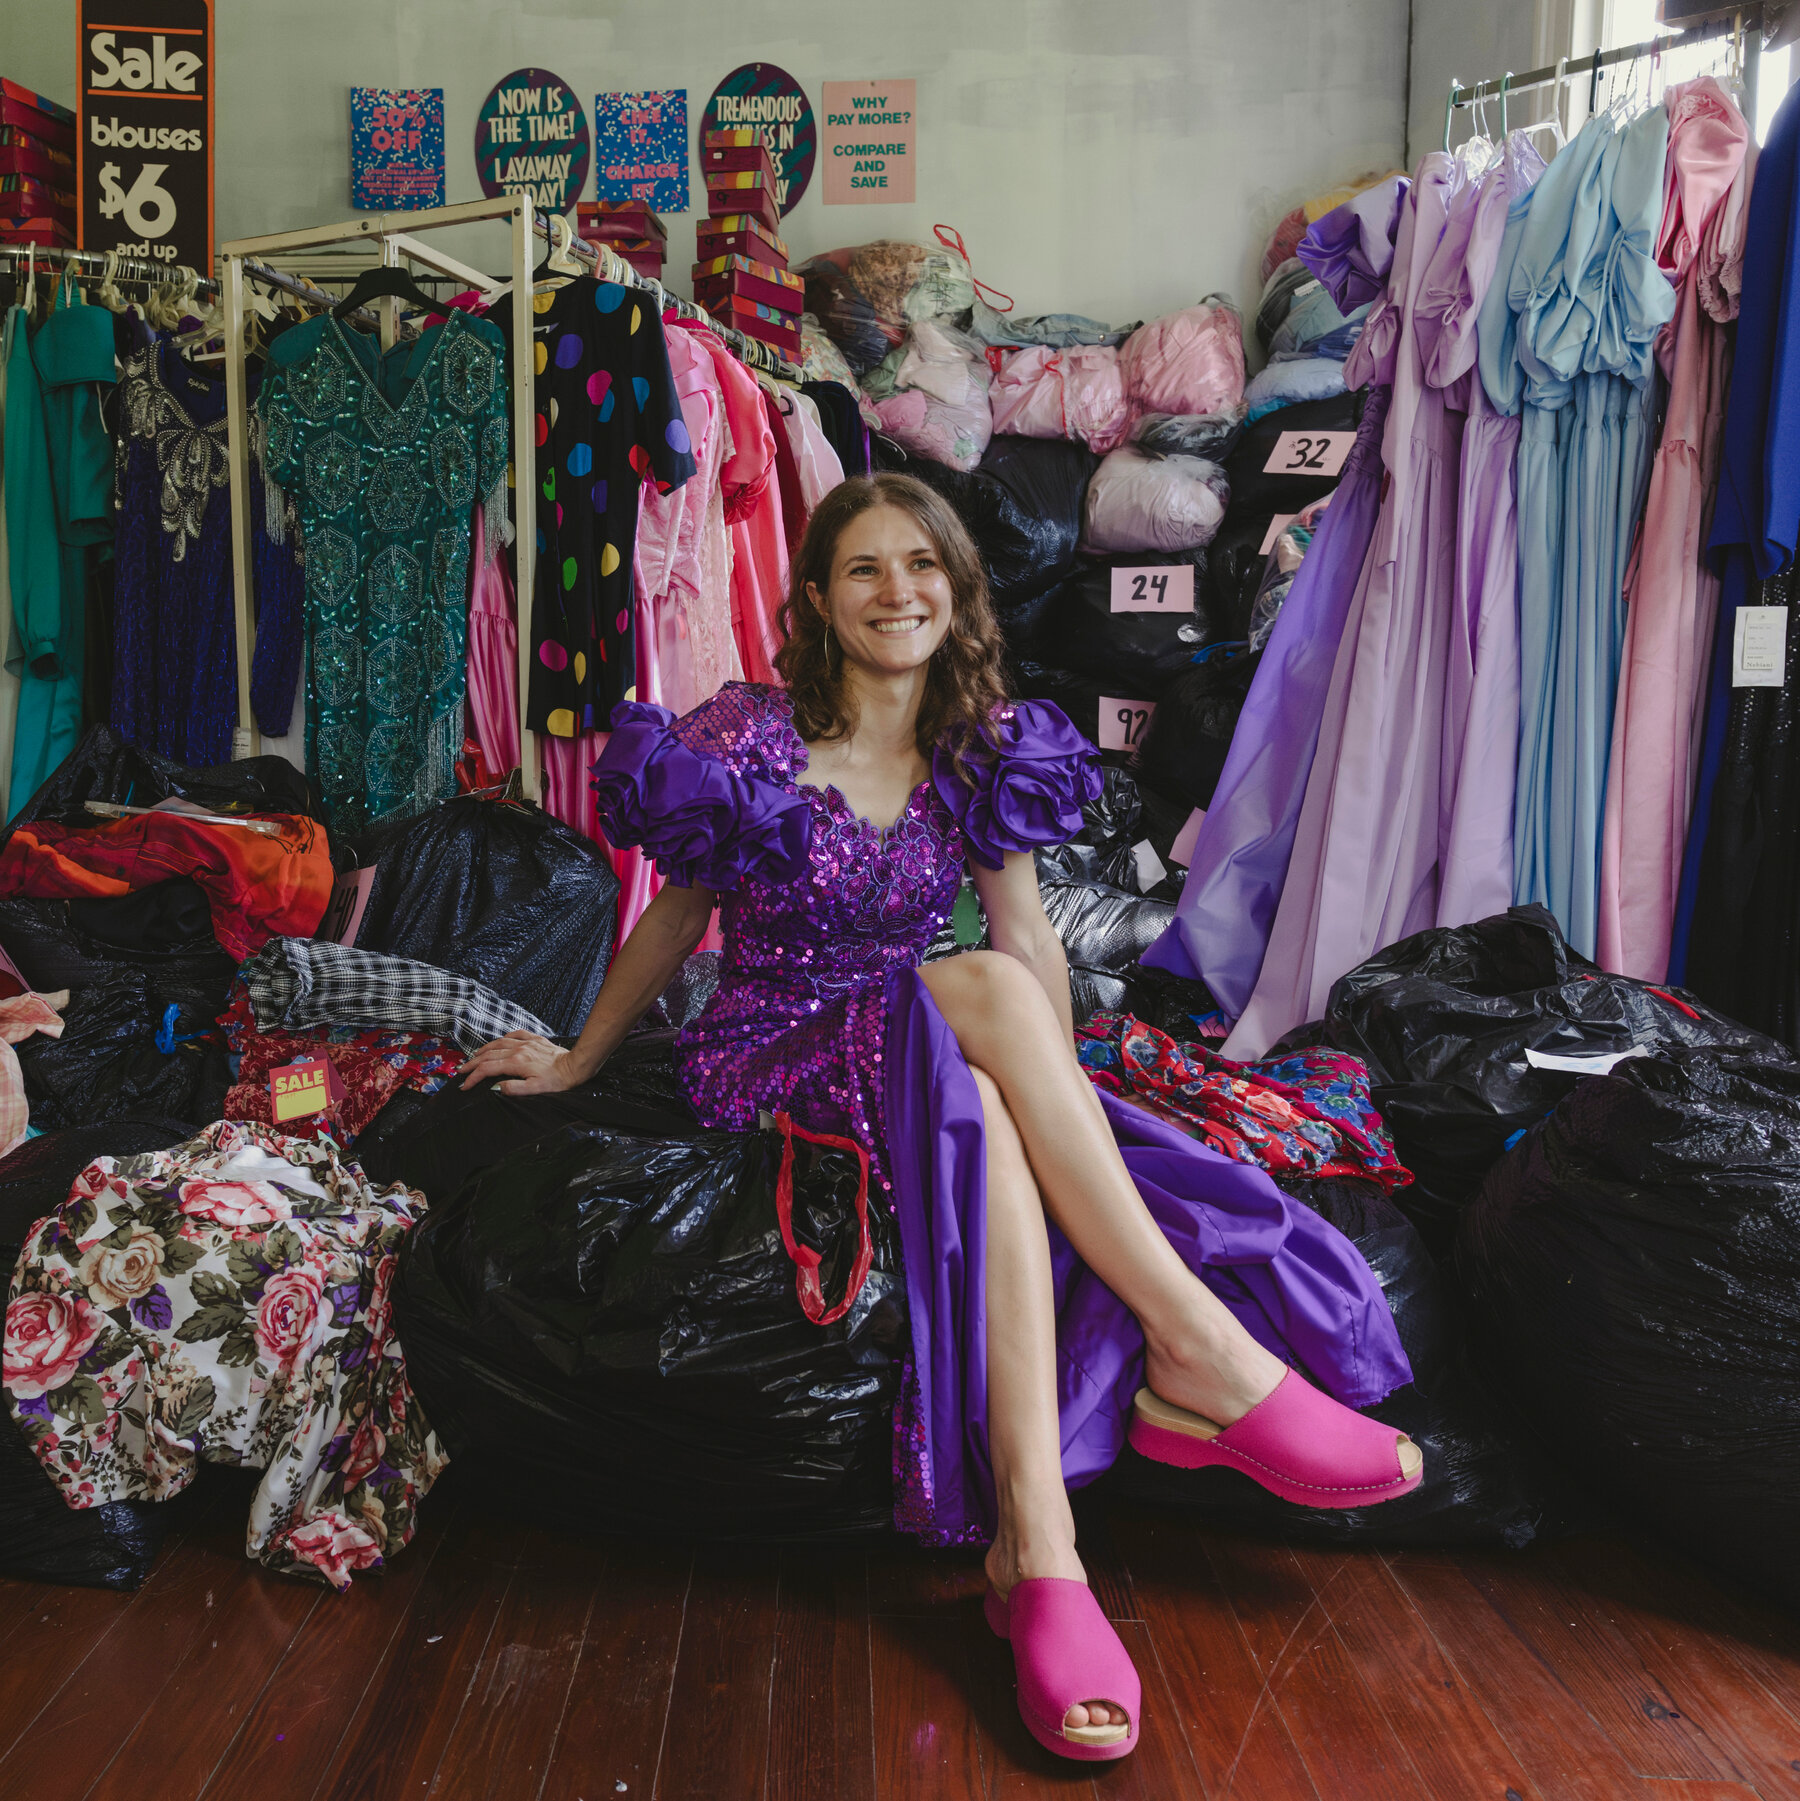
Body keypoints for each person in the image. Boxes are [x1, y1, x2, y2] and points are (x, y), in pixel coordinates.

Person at [460, 473, 1421, 1764]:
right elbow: (676, 919)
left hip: (934, 1056)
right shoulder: (749, 738)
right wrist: (579, 1059)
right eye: (864, 568)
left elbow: (1028, 938)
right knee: (979, 998)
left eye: (922, 564)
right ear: (816, 597)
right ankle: (1197, 1347)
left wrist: (1066, 1088)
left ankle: (1040, 1550)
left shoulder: (978, 748)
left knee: (991, 1078)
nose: (897, 590)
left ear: (956, 589)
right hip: (777, 1054)